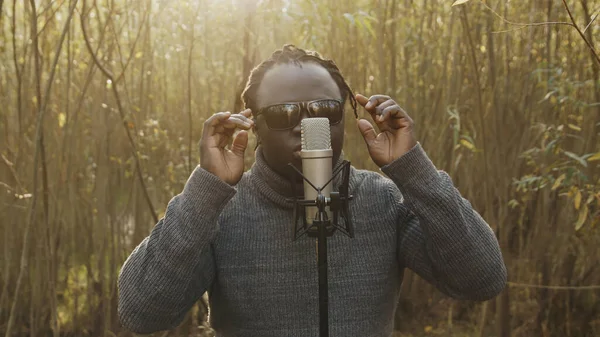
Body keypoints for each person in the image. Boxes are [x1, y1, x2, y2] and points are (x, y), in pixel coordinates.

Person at [117, 44, 507, 337]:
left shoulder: (382, 201)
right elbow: (141, 312)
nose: (306, 125)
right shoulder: (220, 212)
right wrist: (207, 189)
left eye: (325, 110)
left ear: (345, 116)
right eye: (283, 114)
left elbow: (482, 279)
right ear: (253, 126)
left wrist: (413, 168)